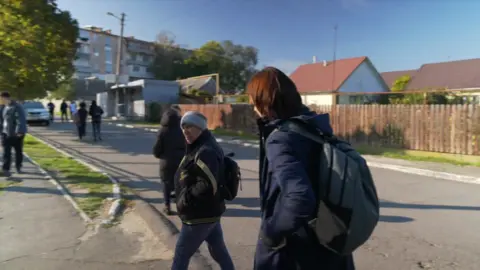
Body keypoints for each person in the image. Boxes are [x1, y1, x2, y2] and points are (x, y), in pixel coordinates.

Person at [246, 67, 356, 270]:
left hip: (296, 251)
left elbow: (300, 197)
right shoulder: (315, 129)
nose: (253, 109)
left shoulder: (281, 139)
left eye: (254, 103)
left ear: (265, 102)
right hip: (330, 242)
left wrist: (271, 232)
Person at [171, 111, 234, 270]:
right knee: (219, 252)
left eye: (190, 126)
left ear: (200, 128)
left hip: (198, 216)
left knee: (181, 256)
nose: (186, 131)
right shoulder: (199, 145)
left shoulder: (205, 151)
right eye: (183, 127)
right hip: (210, 213)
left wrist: (185, 199)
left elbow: (207, 185)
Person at [152, 105, 185, 215]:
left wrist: (159, 155)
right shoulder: (183, 130)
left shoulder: (162, 131)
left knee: (166, 183)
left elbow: (157, 148)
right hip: (180, 160)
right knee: (180, 183)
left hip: (166, 161)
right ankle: (181, 207)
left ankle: (167, 206)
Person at [0, 91, 27, 177]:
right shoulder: (3, 107)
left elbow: (21, 119)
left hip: (16, 133)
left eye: (1, 99)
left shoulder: (17, 106)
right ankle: (6, 169)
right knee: (6, 152)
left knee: (18, 151)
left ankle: (18, 166)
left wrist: (20, 131)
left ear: (5, 98)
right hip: (6, 133)